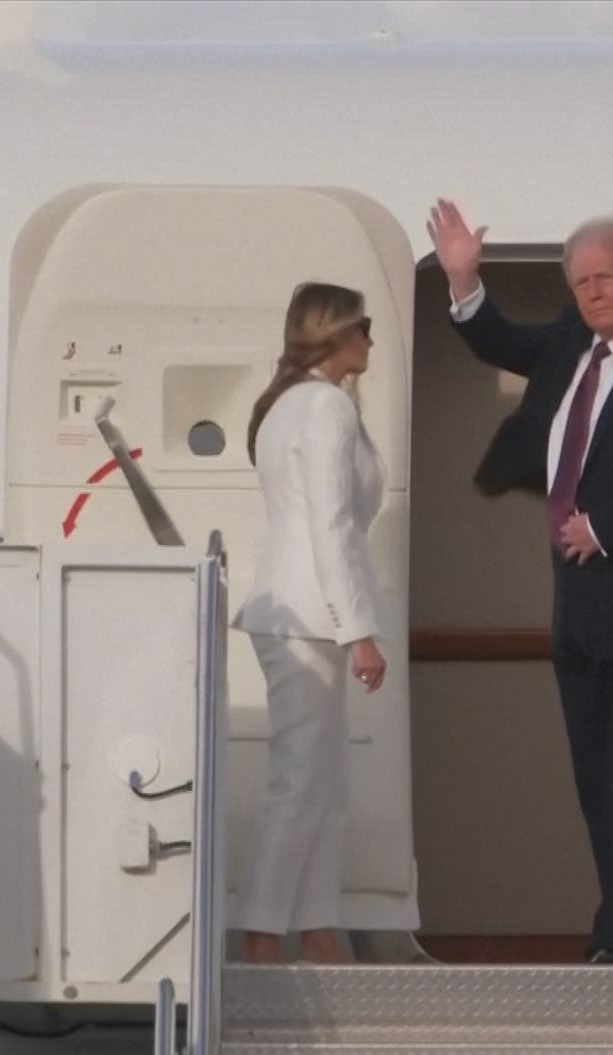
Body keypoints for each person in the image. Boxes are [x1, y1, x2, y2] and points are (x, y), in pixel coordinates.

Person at [428, 200, 613, 962]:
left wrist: (607, 526)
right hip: (578, 613)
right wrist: (463, 280)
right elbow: (498, 340)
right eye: (580, 282)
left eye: (605, 279)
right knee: (599, 786)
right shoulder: (569, 344)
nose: (592, 293)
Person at [230, 282, 388, 965]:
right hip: (309, 617)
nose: (371, 340)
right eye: (364, 327)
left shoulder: (292, 403)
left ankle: (317, 925)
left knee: (325, 782)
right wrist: (358, 628)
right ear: (336, 333)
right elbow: (332, 524)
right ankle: (262, 934)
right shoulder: (324, 407)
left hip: (297, 613)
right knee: (301, 781)